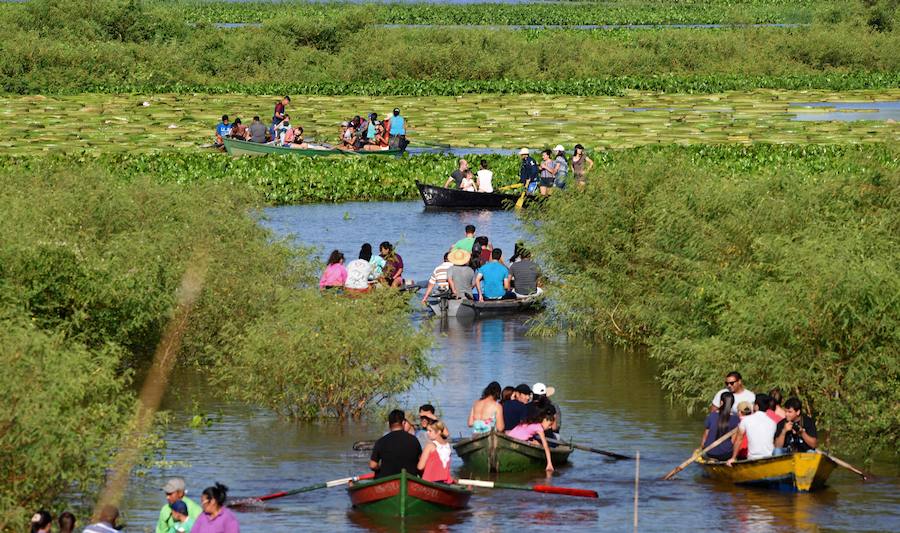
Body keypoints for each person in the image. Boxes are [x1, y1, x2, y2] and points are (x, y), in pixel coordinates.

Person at [370, 409, 422, 478]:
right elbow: (421, 463)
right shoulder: (414, 440)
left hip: (386, 481)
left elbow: (372, 465)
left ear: (389, 424)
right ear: (403, 423)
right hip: (409, 480)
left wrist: (379, 469)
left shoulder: (381, 441)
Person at [727, 394, 777, 464]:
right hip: (770, 458)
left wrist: (733, 458)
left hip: (753, 459)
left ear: (756, 406)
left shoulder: (746, 420)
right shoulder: (773, 423)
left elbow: (738, 440)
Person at [700, 391, 739, 461]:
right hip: (726, 454)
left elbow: (705, 437)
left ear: (721, 402)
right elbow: (733, 441)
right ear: (732, 404)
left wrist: (702, 448)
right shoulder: (736, 419)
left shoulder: (711, 416)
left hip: (709, 452)